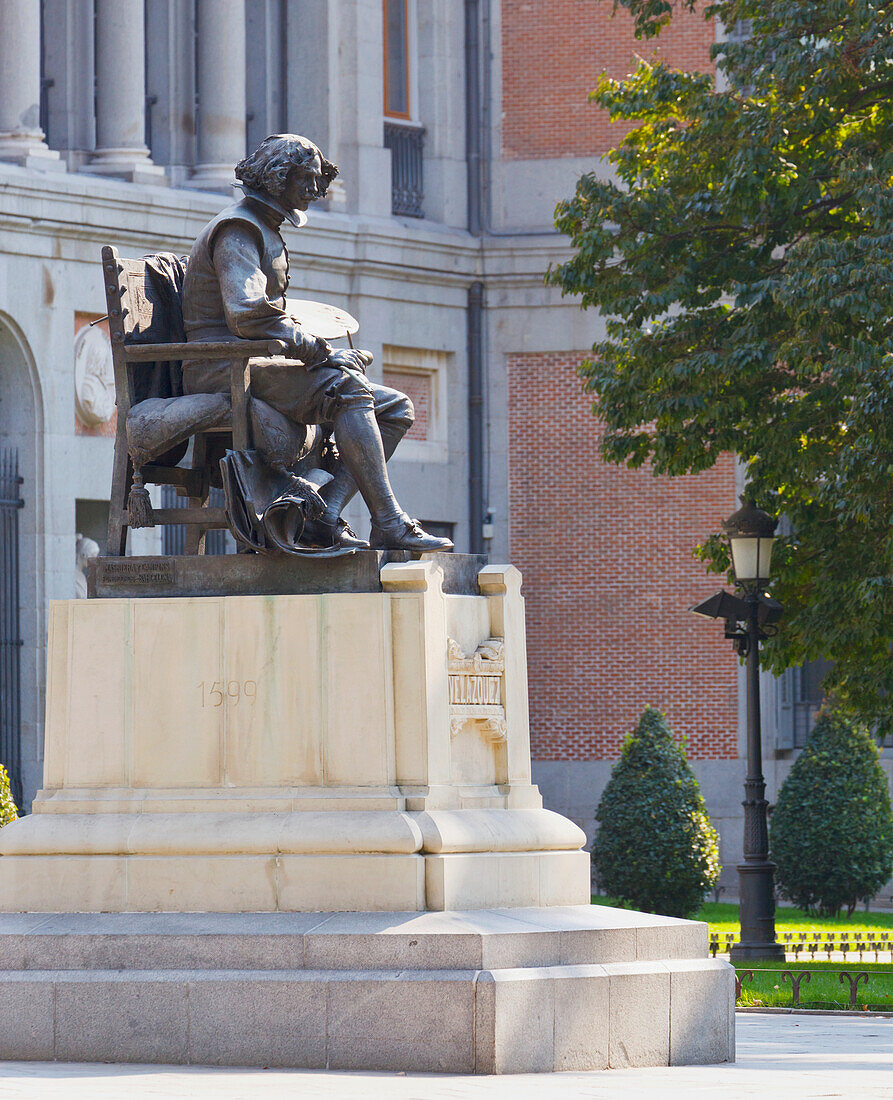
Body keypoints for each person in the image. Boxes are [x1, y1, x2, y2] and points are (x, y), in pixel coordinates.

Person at [181, 133, 452, 553]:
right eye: (305, 178)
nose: (314, 188)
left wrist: (324, 353)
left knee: (396, 408)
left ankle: (325, 515)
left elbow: (269, 317)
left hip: (255, 362)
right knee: (348, 389)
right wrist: (315, 350)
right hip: (222, 367)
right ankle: (388, 521)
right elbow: (246, 311)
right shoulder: (238, 229)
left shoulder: (263, 227)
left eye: (316, 178)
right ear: (276, 178)